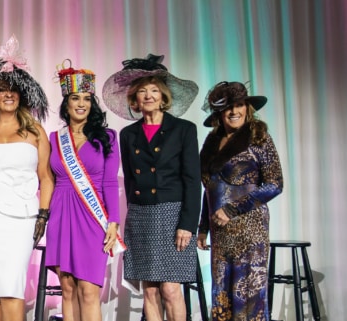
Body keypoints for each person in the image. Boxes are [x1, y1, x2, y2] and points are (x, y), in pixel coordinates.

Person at [102, 54, 200, 321]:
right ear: (134, 99)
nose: (148, 95)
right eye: (142, 91)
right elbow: (132, 180)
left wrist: (188, 224)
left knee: (171, 288)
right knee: (150, 291)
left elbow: (193, 180)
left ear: (163, 96)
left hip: (173, 216)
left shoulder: (184, 130)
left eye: (154, 90)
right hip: (141, 216)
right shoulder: (128, 134)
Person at [0, 36, 54, 321]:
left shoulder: (36, 132)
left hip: (22, 218)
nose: (8, 94)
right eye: (2, 89)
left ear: (21, 96)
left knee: (11, 288)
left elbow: (46, 177)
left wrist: (42, 215)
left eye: (13, 91)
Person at [196, 81, 283, 321]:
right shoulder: (211, 142)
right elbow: (209, 188)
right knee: (222, 294)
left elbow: (275, 184)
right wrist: (203, 228)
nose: (234, 112)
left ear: (247, 108)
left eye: (239, 105)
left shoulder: (259, 137)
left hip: (249, 229)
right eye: (228, 108)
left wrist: (233, 209)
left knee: (248, 295)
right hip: (220, 232)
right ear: (219, 113)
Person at [46, 62, 123, 321]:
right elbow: (47, 180)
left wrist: (113, 221)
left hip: (92, 218)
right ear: (66, 104)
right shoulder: (54, 140)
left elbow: (110, 182)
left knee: (89, 291)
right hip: (60, 216)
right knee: (66, 289)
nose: (81, 104)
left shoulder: (108, 137)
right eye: (75, 98)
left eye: (87, 99)